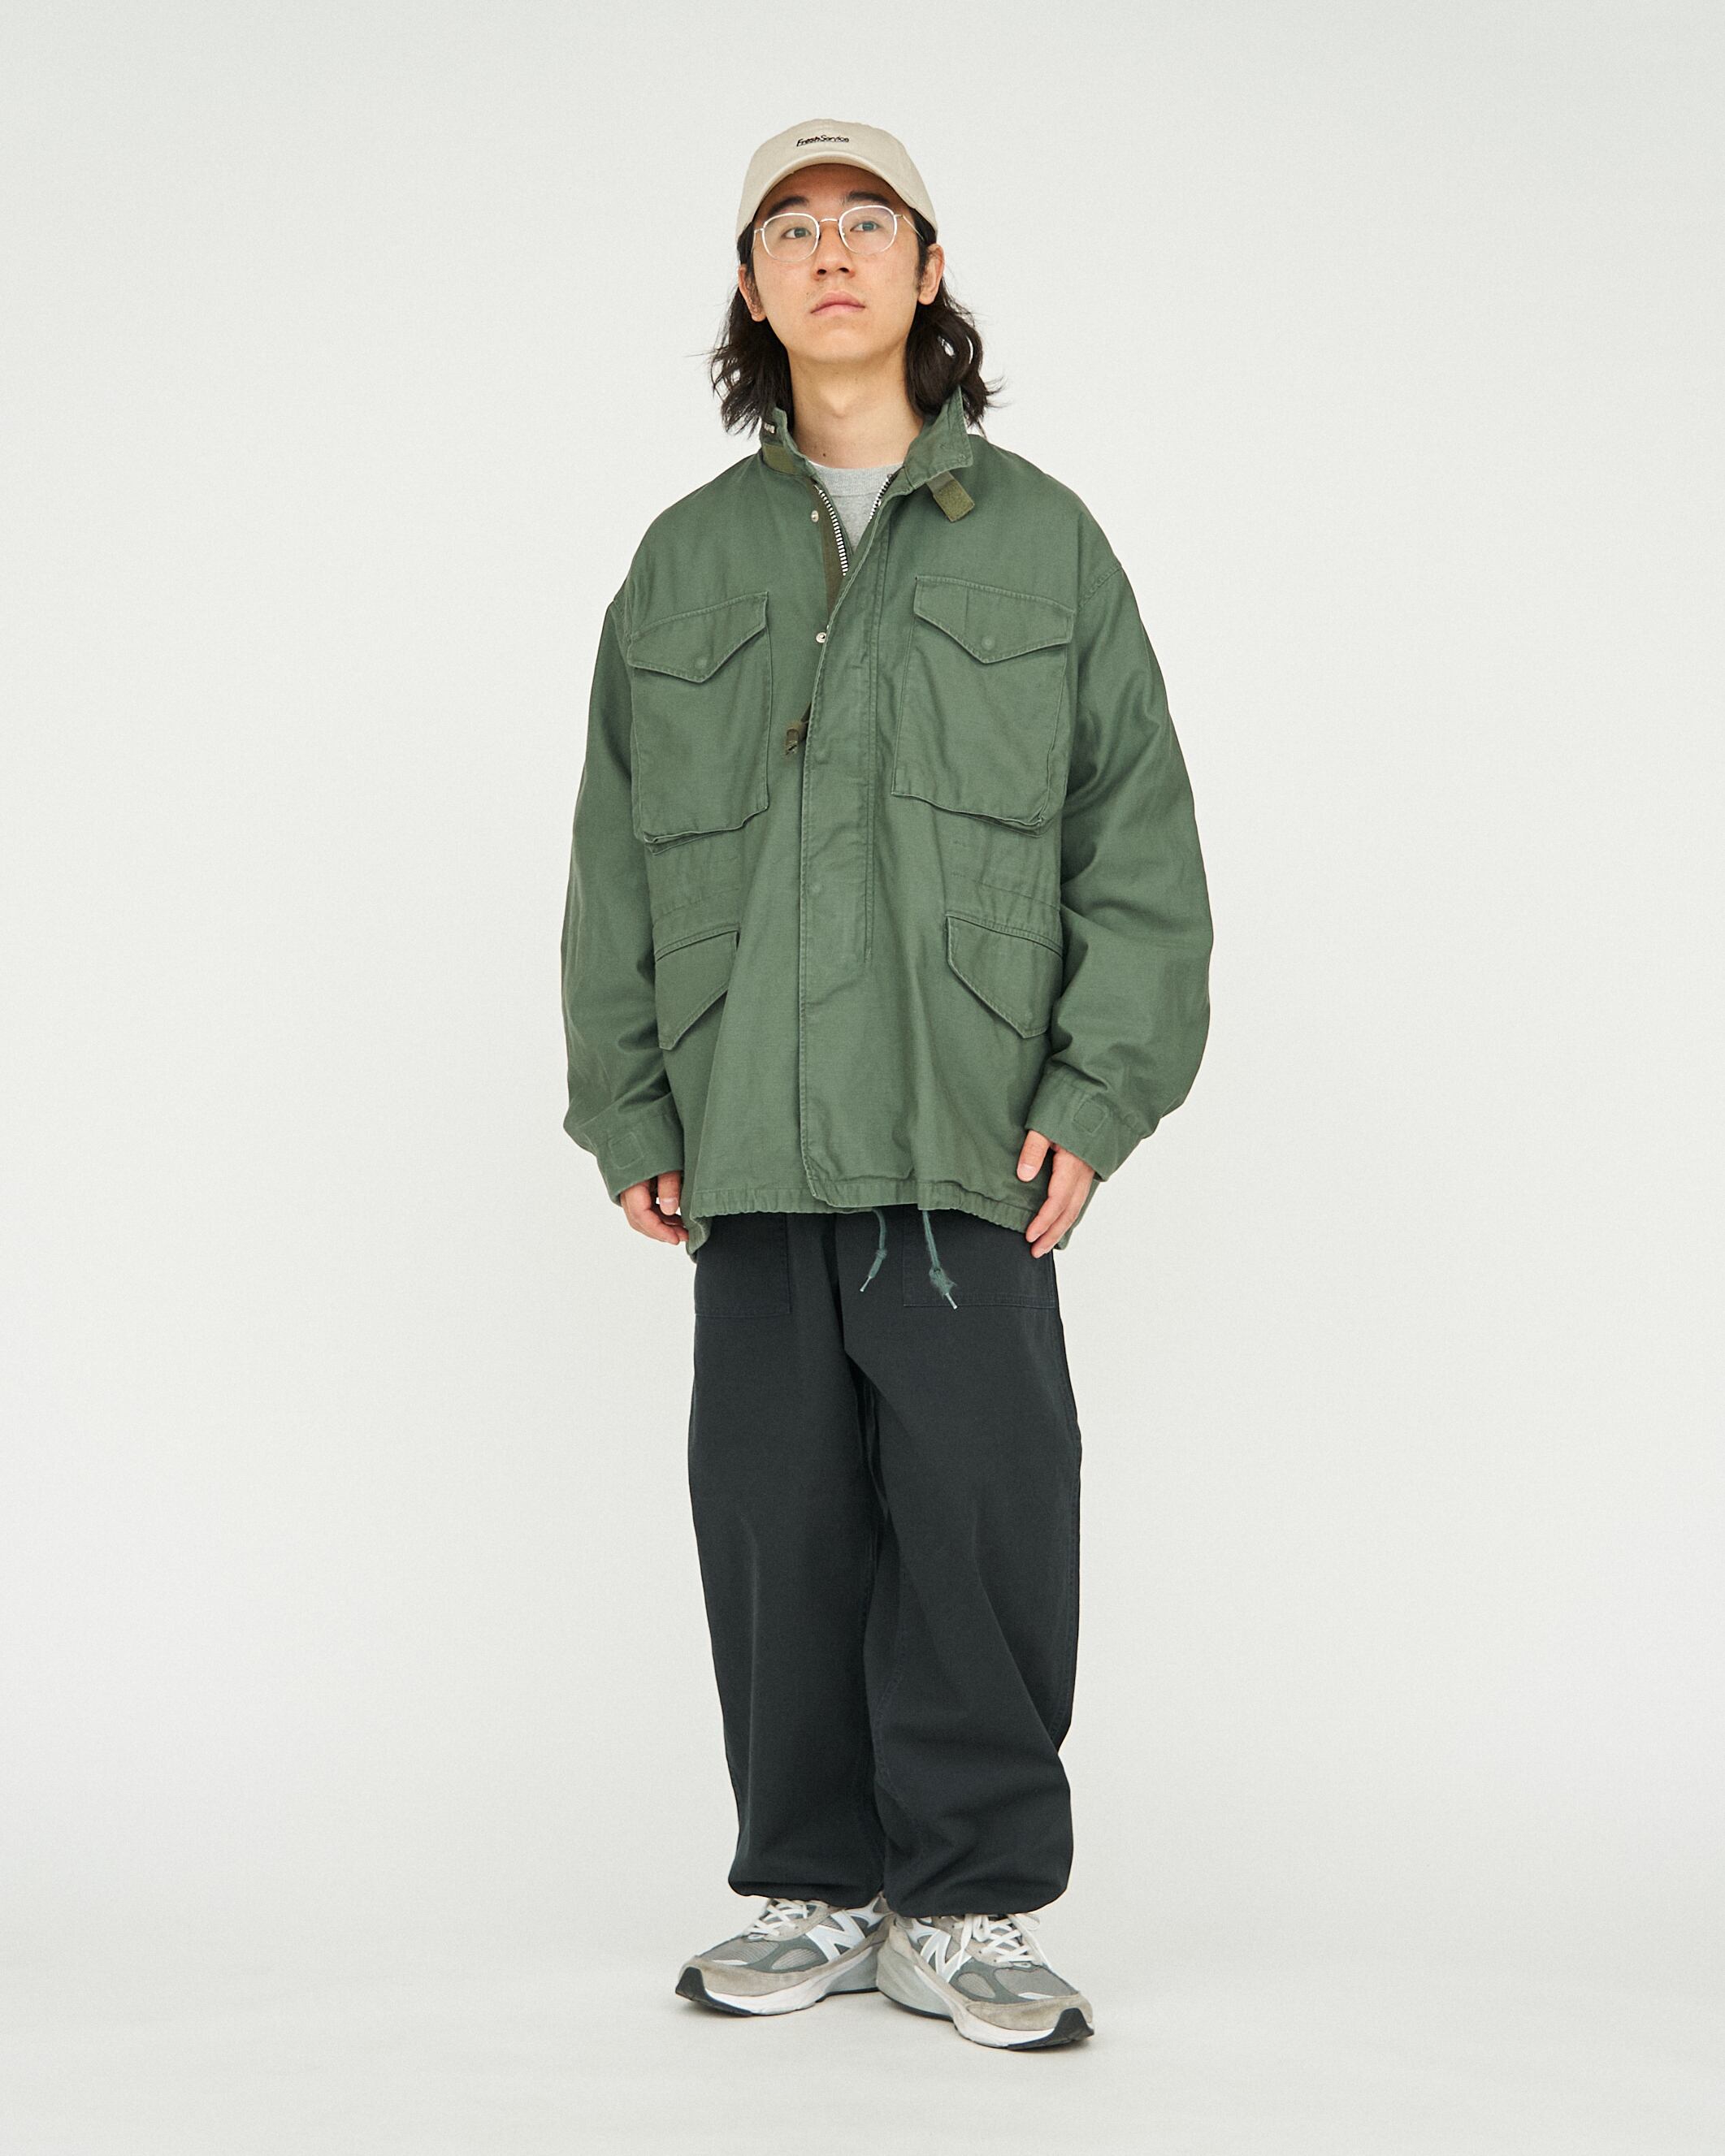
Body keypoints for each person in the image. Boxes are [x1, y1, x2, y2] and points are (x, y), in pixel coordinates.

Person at [559, 116, 1214, 2051]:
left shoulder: (1045, 544)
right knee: (777, 1523)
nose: (829, 250)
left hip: (967, 1142)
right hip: (750, 1142)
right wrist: (630, 1105)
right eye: (789, 226)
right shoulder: (682, 566)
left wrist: (1099, 1088)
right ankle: (815, 1884)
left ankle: (972, 1903)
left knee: (987, 1514)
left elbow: (1137, 844)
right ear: (751, 288)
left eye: (868, 221)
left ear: (928, 273)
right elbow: (610, 863)